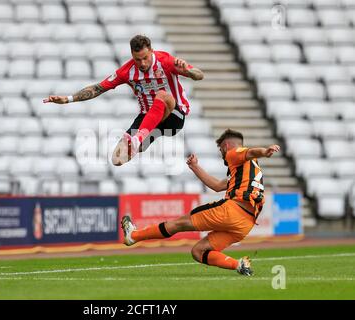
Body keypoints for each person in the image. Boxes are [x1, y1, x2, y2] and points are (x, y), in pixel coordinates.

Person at [121, 129, 281, 276]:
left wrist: (265, 152)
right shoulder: (247, 170)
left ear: (226, 146)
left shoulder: (233, 153)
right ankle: (238, 265)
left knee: (179, 224)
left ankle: (133, 235)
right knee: (198, 251)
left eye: (221, 150)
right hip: (245, 224)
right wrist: (195, 167)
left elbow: (251, 151)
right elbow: (217, 186)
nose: (222, 154)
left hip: (231, 211)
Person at [43, 34, 204, 165]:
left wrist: (188, 72)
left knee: (161, 95)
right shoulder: (127, 71)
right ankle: (139, 141)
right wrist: (68, 99)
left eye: (145, 58)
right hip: (148, 118)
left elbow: (199, 75)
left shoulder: (166, 62)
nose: (142, 63)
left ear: (151, 51)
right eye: (137, 59)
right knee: (117, 158)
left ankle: (137, 139)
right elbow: (99, 88)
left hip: (174, 117)